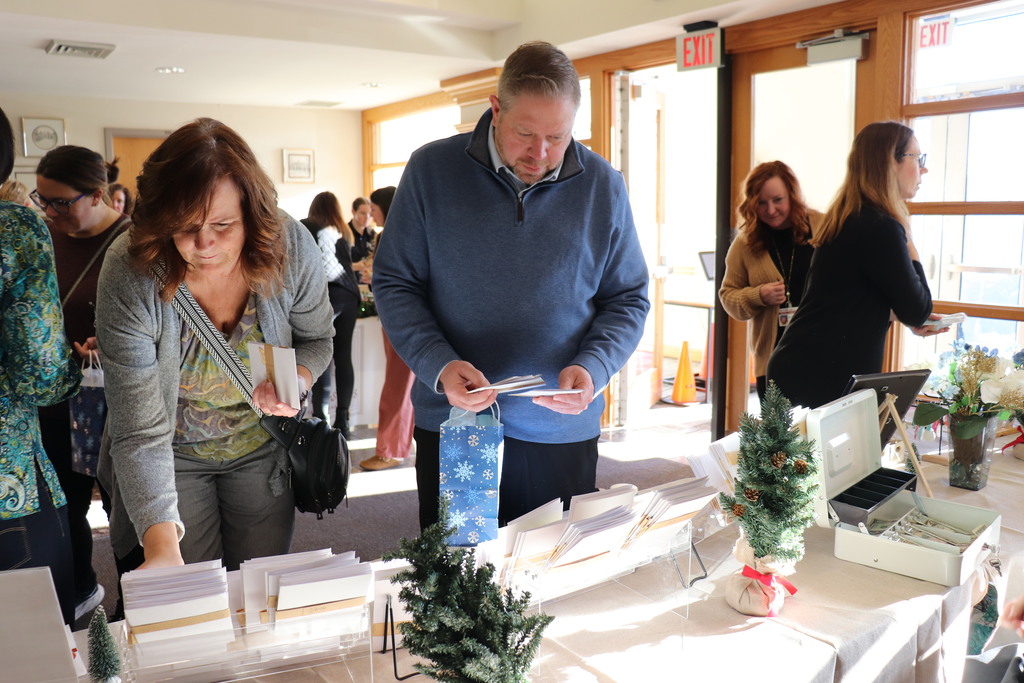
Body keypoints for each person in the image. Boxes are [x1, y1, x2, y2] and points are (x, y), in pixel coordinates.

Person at [373, 41, 650, 527]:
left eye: (558, 137)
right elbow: (396, 284)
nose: (540, 154)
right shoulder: (431, 171)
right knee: (457, 580)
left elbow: (627, 298)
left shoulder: (603, 186)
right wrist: (438, 365)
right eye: (525, 134)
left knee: (546, 581)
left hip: (559, 427)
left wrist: (596, 365)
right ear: (495, 109)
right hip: (457, 423)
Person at [96, 118, 334, 571]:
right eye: (183, 227)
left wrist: (296, 379)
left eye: (223, 224)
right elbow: (140, 430)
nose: (203, 245)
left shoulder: (290, 247)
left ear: (253, 212)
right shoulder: (130, 270)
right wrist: (163, 549)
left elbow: (317, 338)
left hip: (261, 448)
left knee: (258, 588)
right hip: (171, 454)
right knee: (193, 593)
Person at [766, 121, 946, 409]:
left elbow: (850, 298)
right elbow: (918, 308)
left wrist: (903, 317)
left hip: (805, 363)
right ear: (891, 162)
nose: (923, 169)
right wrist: (909, 241)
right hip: (819, 372)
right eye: (917, 158)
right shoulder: (882, 226)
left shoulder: (852, 217)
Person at [33, 145, 131, 620]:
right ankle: (78, 593)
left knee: (126, 514)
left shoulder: (133, 243)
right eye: (43, 200)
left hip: (118, 407)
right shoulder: (44, 237)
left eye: (60, 202)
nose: (49, 212)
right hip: (57, 403)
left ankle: (136, 607)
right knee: (65, 512)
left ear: (98, 194)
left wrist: (110, 342)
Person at [0, 105, 82, 625]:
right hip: (8, 482)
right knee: (35, 645)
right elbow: (41, 369)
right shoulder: (14, 230)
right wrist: (72, 372)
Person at [719, 161, 821, 401]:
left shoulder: (823, 226)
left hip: (823, 355)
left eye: (778, 200)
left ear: (792, 196)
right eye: (762, 203)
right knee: (780, 437)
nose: (771, 210)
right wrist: (758, 295)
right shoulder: (746, 243)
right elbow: (727, 296)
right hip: (773, 361)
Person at [360, 185, 415, 471]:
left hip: (402, 320)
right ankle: (395, 446)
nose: (370, 212)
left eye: (373, 206)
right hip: (399, 318)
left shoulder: (396, 234)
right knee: (401, 385)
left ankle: (390, 449)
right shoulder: (393, 233)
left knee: (398, 384)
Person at [301, 191, 360, 437]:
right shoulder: (343, 231)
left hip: (324, 296)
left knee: (321, 353)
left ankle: (321, 417)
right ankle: (343, 419)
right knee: (344, 356)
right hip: (349, 295)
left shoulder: (306, 226)